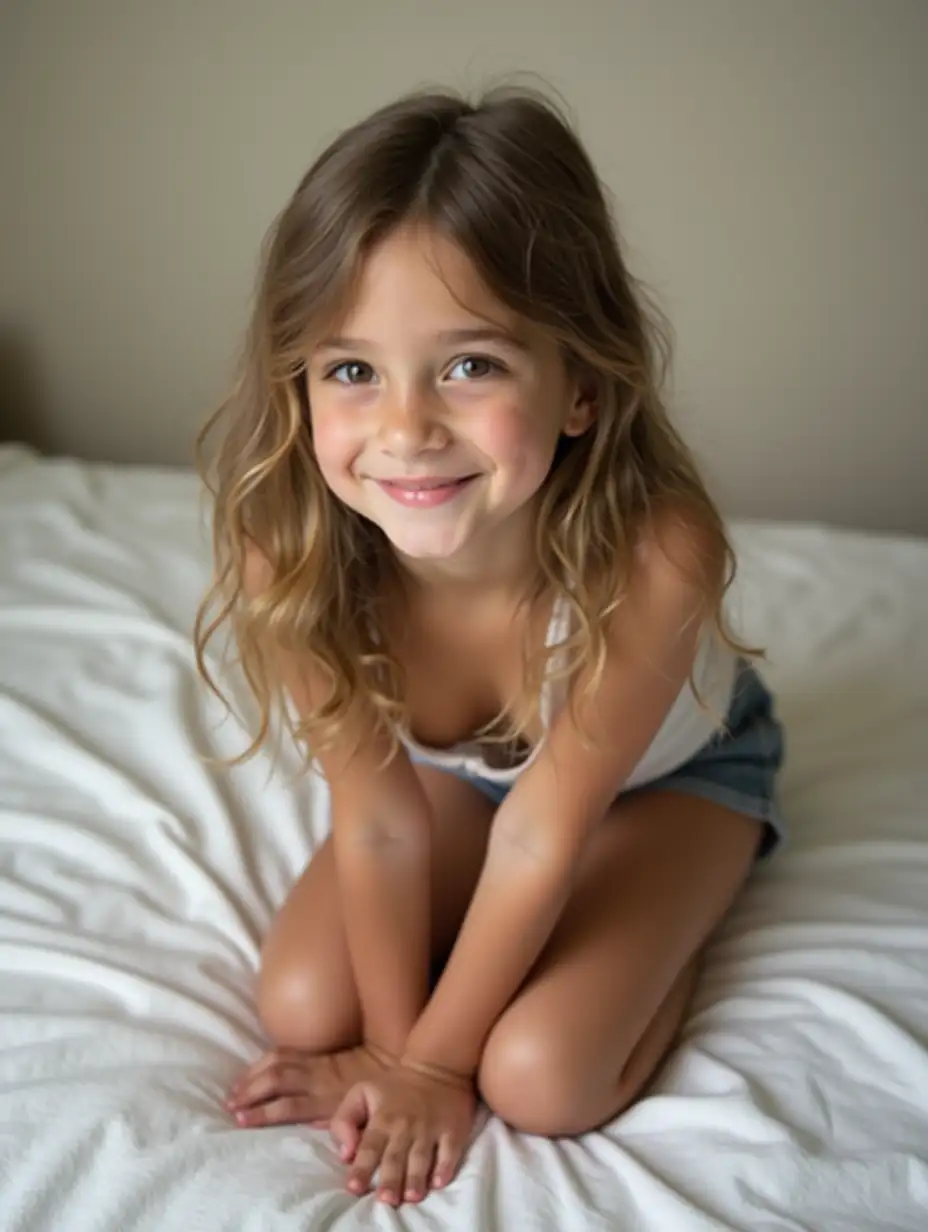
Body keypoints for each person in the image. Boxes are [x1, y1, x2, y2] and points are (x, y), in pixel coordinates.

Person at [194, 86, 785, 1208]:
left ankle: (682, 912)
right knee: (303, 1000)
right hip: (463, 777)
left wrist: (430, 1065)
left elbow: (541, 835)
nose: (407, 428)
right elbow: (376, 817)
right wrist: (381, 1047)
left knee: (541, 1074)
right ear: (300, 383)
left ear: (581, 386)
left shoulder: (654, 551)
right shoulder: (296, 553)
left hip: (674, 776)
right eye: (352, 369)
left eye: (470, 364)